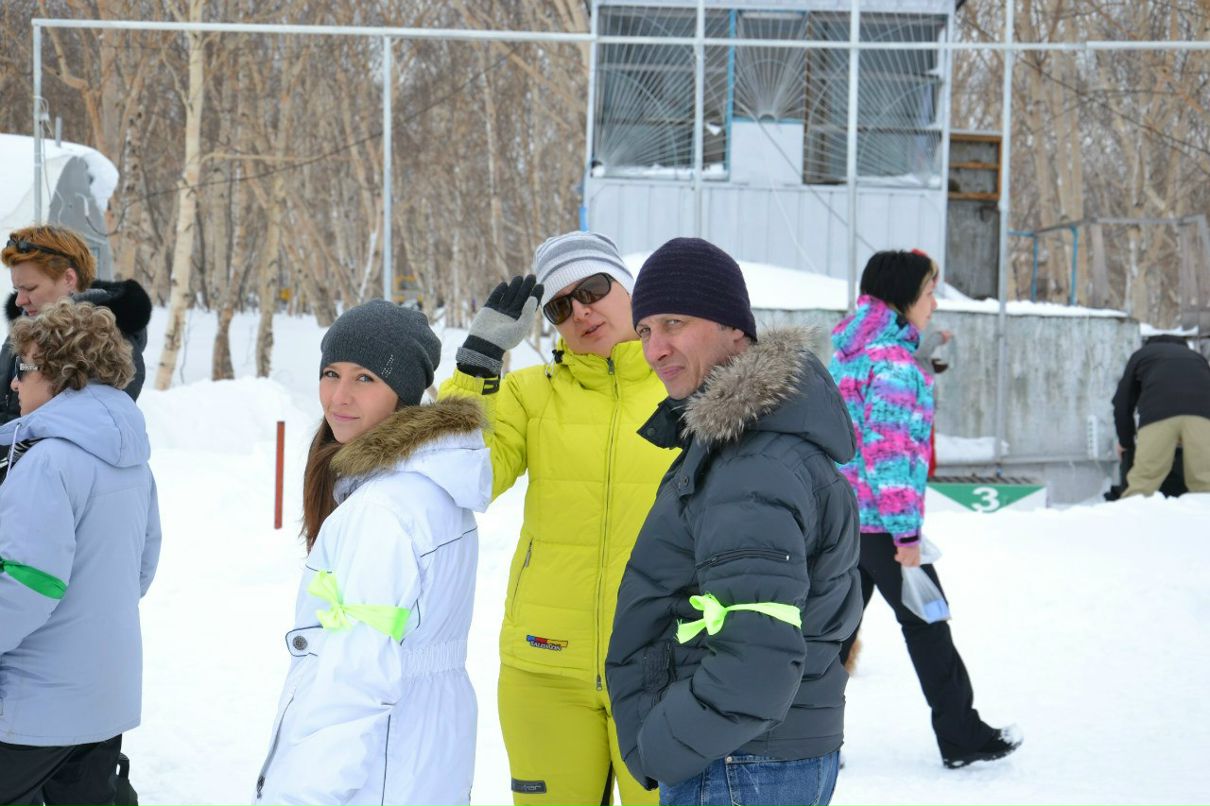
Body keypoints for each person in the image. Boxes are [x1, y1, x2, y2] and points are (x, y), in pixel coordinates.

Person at [606, 237, 862, 806]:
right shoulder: (756, 446)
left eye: (674, 322)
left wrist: (664, 745)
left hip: (738, 764)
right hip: (759, 756)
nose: (655, 348)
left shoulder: (754, 464)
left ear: (734, 330)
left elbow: (758, 657)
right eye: (644, 330)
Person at [439, 231, 675, 806]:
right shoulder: (527, 395)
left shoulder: (687, 390)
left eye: (593, 288)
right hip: (545, 669)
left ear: (629, 287)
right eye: (560, 305)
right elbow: (462, 475)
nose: (581, 311)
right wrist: (478, 364)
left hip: (667, 671)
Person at [255, 301, 491, 805]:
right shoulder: (434, 486)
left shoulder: (382, 512)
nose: (338, 397)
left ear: (402, 393)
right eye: (330, 373)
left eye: (365, 379)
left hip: (377, 769)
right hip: (422, 753)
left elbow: (352, 681)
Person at [829, 249, 1021, 769]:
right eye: (930, 292)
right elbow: (888, 454)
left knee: (831, 635)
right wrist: (906, 535)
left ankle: (808, 738)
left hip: (843, 521)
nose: (934, 303)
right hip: (884, 528)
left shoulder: (848, 353)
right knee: (929, 624)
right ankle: (961, 736)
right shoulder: (891, 365)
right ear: (903, 297)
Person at [0, 300, 161, 805]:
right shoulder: (130, 458)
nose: (13, 384)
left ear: (57, 372)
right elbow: (143, 563)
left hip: (37, 704)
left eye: (21, 369)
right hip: (103, 695)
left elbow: (25, 585)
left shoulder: (50, 461)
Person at [1, 226, 152, 423]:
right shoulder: (28, 326)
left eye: (29, 288)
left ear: (69, 279)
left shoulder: (104, 346)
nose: (19, 301)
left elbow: (84, 433)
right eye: (17, 289)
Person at [1112, 333, 1210, 497]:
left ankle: (1131, 520)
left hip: (1158, 414)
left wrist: (1125, 442)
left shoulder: (1142, 355)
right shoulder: (1196, 358)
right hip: (1204, 415)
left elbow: (1122, 402)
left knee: (1144, 483)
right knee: (1205, 483)